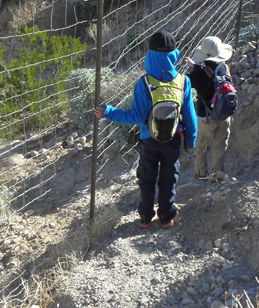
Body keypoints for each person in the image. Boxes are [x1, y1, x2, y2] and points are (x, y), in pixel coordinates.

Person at [94, 30, 197, 229]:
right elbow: (190, 117)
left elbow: (137, 116)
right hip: (173, 139)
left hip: (148, 139)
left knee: (147, 177)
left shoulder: (144, 83)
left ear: (149, 55)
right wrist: (190, 142)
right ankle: (166, 215)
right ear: (174, 54)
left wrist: (108, 112)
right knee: (169, 177)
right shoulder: (183, 81)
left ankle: (145, 217)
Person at [183, 35, 234, 182]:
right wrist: (197, 66)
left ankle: (202, 175)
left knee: (200, 147)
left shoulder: (196, 74)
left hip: (204, 117)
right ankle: (217, 175)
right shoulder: (225, 67)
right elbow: (213, 73)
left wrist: (195, 67)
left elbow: (188, 83)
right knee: (219, 146)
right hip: (224, 114)